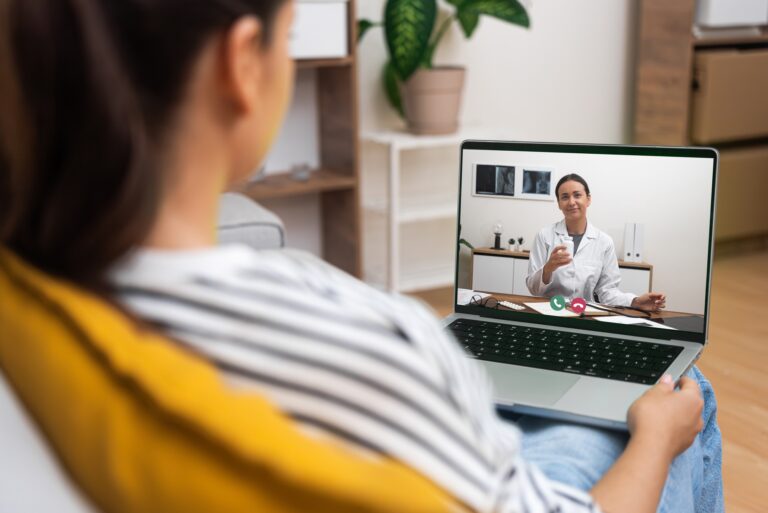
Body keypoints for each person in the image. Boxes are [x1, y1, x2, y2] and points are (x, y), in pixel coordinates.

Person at [0, 1, 722, 512]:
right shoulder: (374, 337)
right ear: (240, 68)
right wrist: (654, 438)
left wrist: (631, 306)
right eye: (286, 35)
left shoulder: (30, 285)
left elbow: (608, 300)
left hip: (568, 339)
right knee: (683, 401)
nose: (566, 203)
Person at [527, 174, 666, 311]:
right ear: (559, 204)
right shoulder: (544, 236)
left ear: (588, 199)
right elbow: (533, 289)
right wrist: (548, 269)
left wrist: (635, 302)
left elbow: (607, 292)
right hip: (549, 311)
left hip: (585, 315)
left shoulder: (604, 242)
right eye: (564, 197)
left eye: (577, 195)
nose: (571, 202)